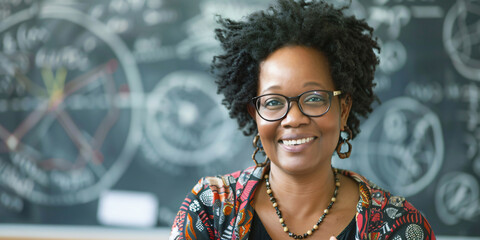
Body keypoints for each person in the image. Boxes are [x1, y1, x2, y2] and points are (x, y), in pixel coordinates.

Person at [170, 0, 435, 239]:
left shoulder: (399, 227)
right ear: (255, 115)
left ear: (343, 110)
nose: (294, 119)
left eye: (314, 98)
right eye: (273, 102)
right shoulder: (210, 209)